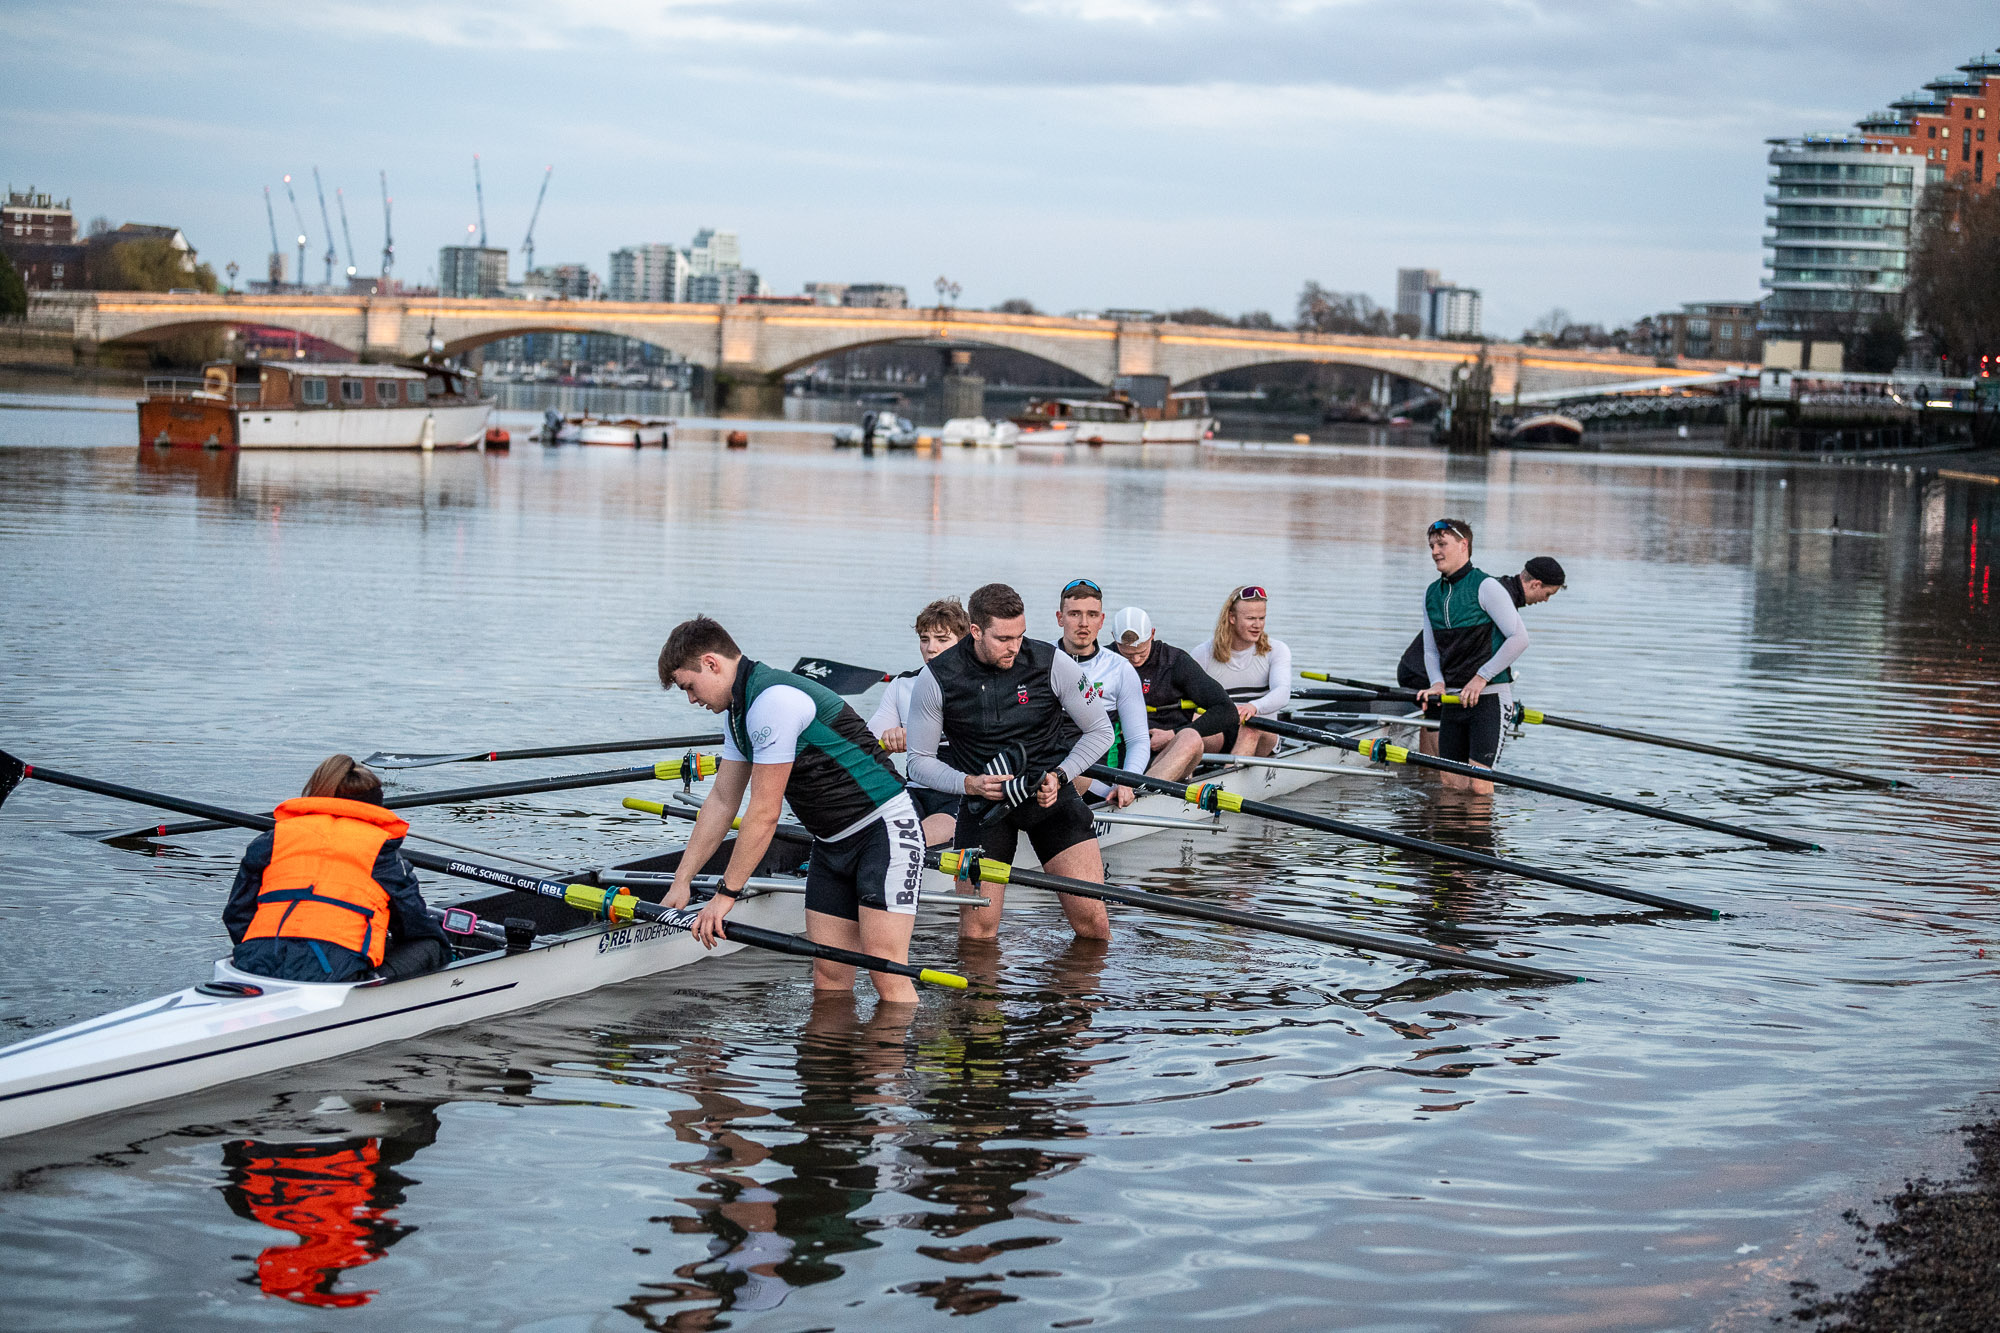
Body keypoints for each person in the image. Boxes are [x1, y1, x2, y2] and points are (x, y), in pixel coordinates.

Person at [660, 617, 926, 1004]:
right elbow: (721, 802)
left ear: (711, 663)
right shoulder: (739, 714)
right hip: (831, 844)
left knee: (885, 971)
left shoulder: (773, 701)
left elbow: (765, 814)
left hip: (882, 833)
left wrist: (725, 894)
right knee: (829, 976)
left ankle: (894, 1065)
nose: (692, 699)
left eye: (689, 686)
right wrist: (682, 880)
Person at [903, 582, 1115, 942]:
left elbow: (1100, 732)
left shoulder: (1052, 662)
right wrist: (968, 783)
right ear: (975, 631)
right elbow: (918, 762)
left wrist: (1061, 776)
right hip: (983, 808)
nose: (1014, 647)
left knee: (1092, 925)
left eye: (1020, 635)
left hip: (1049, 799)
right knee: (977, 934)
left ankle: (1081, 999)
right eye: (1003, 638)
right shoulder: (937, 677)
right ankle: (981, 997)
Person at [224, 755, 449, 984]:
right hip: (333, 975)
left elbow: (236, 914)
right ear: (376, 807)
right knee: (432, 944)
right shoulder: (380, 853)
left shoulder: (271, 841)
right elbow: (415, 925)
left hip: (253, 962)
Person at [1395, 554, 1564, 754]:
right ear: (1536, 584)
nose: (1545, 600)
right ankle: (1431, 779)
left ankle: (1425, 777)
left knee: (1433, 726)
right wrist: (1485, 680)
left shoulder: (1494, 587)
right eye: (1548, 594)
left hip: (1413, 667)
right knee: (1446, 761)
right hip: (1428, 672)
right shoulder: (1499, 594)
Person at [1415, 518, 1531, 795]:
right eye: (1432, 545)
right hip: (1453, 698)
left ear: (1463, 545)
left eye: (1442, 544)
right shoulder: (1432, 593)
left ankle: (1479, 836)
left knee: (1479, 787)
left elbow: (1520, 639)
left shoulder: (1486, 586)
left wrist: (1481, 678)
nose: (1434, 551)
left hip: (1488, 698)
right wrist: (1437, 683)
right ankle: (1448, 838)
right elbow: (1431, 650)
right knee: (1451, 784)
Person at [870, 597, 970, 845]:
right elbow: (865, 754)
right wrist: (886, 741)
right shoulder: (902, 686)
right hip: (913, 790)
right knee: (871, 831)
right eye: (924, 639)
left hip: (960, 795)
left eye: (942, 639)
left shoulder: (981, 689)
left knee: (909, 840)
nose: (931, 648)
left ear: (964, 642)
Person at [1106, 606, 1239, 782]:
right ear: (1114, 639)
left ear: (1152, 634)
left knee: (1191, 738)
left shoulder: (1175, 662)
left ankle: (1138, 791)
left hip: (1163, 756)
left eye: (1141, 652)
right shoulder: (1103, 660)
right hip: (1115, 753)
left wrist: (1173, 734)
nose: (1136, 661)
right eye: (1128, 655)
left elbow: (1227, 711)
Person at [1053, 578, 1150, 808]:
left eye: (1092, 615)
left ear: (1102, 620)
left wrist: (1127, 781)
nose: (1083, 623)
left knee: (1073, 775)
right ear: (1060, 618)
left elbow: (1138, 741)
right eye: (1074, 614)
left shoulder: (1120, 669)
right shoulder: (1041, 660)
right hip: (1047, 777)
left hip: (1098, 784)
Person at [1193, 584, 1291, 757]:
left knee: (1250, 728)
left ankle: (1228, 781)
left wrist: (1254, 707)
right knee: (1189, 727)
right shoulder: (1204, 653)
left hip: (1262, 732)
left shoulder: (1276, 650)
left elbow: (1282, 692)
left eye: (1262, 618)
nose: (1257, 625)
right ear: (1232, 617)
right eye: (1251, 618)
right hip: (1220, 733)